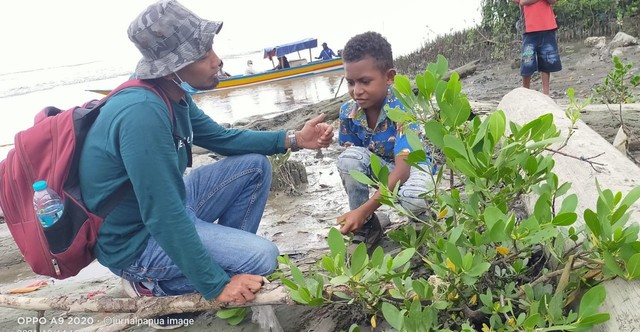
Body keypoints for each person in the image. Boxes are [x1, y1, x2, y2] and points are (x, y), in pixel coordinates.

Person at [78, 0, 333, 328]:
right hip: (137, 240)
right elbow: (163, 216)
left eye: (210, 47)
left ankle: (226, 264)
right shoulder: (142, 113)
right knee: (262, 257)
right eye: (202, 55)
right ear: (172, 66)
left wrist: (294, 139)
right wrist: (217, 285)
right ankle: (154, 286)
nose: (217, 60)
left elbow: (221, 139)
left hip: (169, 207)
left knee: (255, 167)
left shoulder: (172, 93)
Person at [335, 31, 433, 251]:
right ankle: (368, 227)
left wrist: (364, 209)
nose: (356, 91)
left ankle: (422, 221)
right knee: (347, 160)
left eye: (365, 81)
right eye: (350, 82)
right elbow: (354, 163)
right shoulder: (348, 113)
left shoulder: (403, 108)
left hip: (412, 168)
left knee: (413, 199)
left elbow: (402, 172)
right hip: (382, 169)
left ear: (389, 77)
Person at [516, 0, 562, 96]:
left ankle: (546, 94)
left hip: (547, 26)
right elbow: (524, 2)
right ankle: (525, 93)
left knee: (546, 62)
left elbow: (552, 1)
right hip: (529, 29)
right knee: (527, 62)